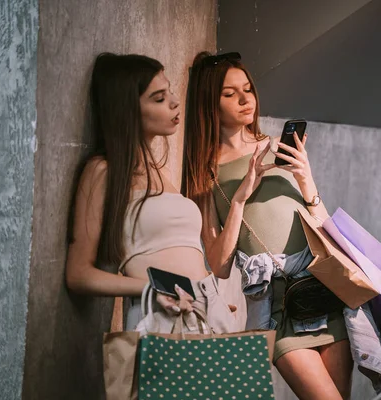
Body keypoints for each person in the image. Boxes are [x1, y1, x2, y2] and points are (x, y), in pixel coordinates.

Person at [182, 51, 355, 400]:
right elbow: (218, 264)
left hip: (322, 290)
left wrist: (307, 180)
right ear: (208, 103)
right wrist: (242, 196)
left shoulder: (276, 147)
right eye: (230, 93)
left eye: (248, 89)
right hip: (276, 306)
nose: (246, 99)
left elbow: (323, 230)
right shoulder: (206, 172)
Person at [65, 52, 236, 334]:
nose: (174, 102)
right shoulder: (102, 171)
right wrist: (154, 288)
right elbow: (78, 274)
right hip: (164, 318)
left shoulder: (161, 172)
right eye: (158, 98)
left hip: (210, 311)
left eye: (169, 91)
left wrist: (211, 298)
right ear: (127, 110)